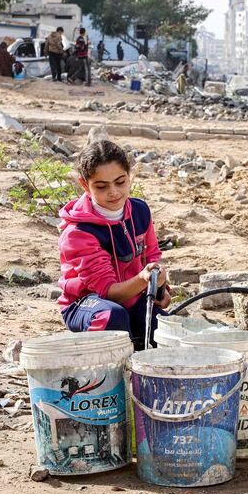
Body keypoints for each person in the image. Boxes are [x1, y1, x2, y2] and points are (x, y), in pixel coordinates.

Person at [58, 140, 170, 350]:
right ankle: (99, 364)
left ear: (130, 176)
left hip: (133, 297)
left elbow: (152, 255)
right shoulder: (78, 234)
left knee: (163, 327)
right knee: (112, 316)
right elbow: (108, 292)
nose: (113, 192)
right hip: (88, 305)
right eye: (101, 186)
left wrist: (161, 286)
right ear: (85, 185)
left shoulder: (140, 212)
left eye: (120, 182)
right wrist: (144, 280)